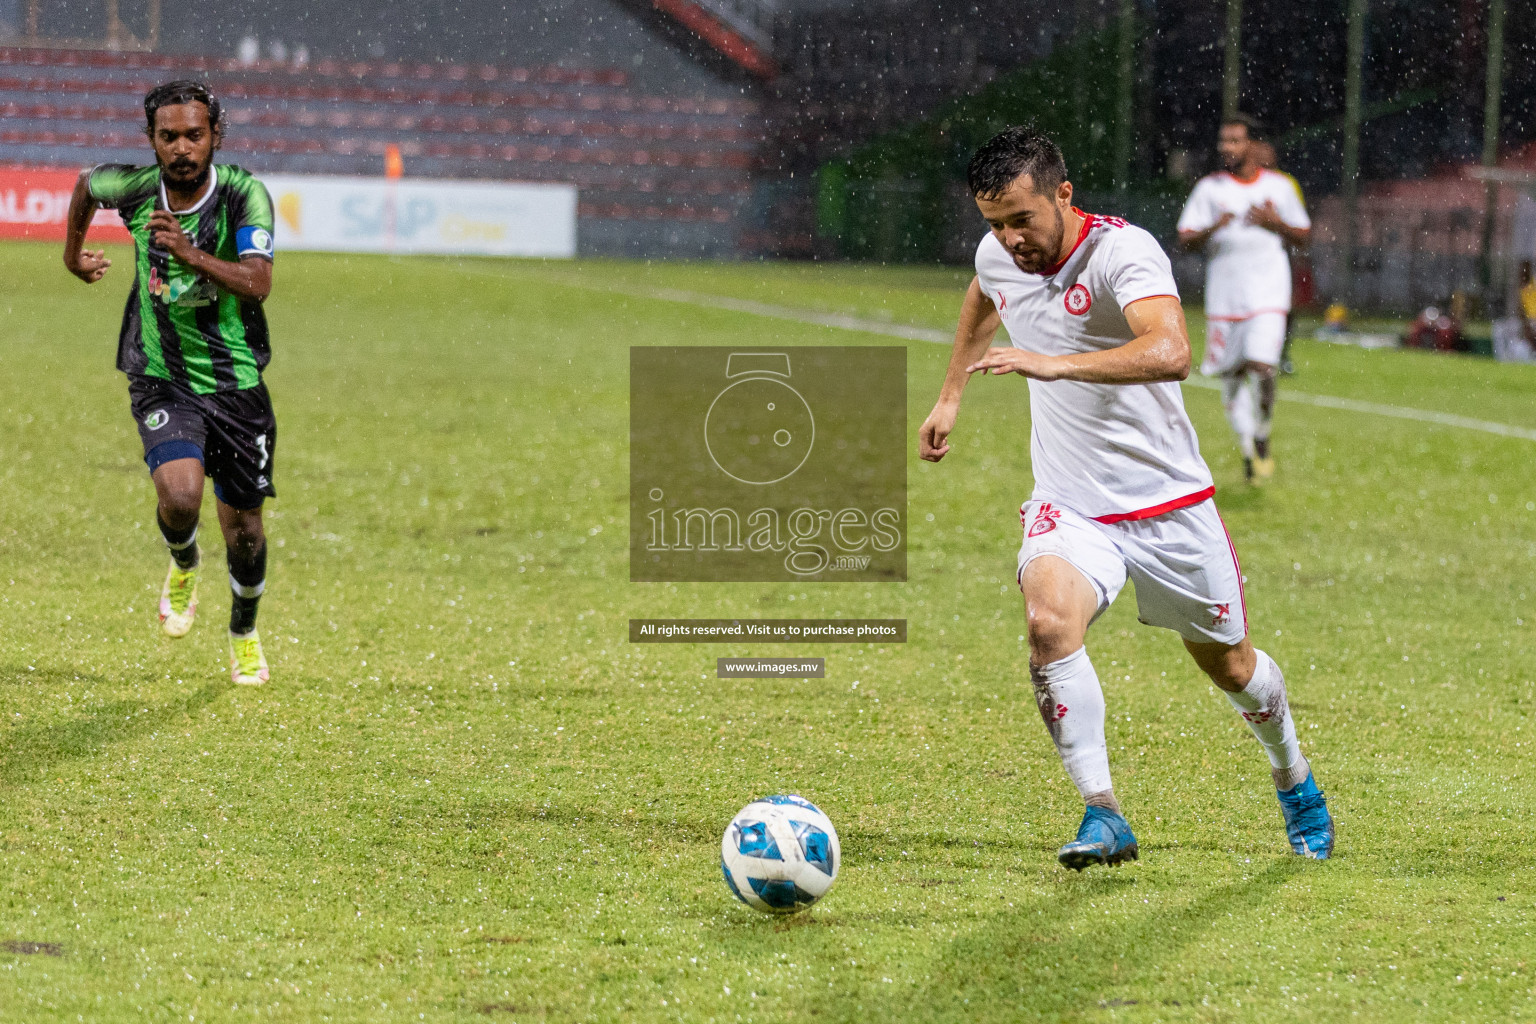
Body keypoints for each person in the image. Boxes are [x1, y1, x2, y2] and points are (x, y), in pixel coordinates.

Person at [918, 125, 1333, 869]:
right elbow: (985, 293)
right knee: (1048, 625)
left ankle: (1294, 777)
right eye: (995, 223)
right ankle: (1103, 812)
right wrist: (950, 396)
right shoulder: (996, 253)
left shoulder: (1123, 253)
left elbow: (1171, 350)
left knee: (1232, 667)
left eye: (1022, 219)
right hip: (1071, 503)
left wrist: (1055, 364)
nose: (1010, 239)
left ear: (1064, 195)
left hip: (1169, 506)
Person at [61, 80, 278, 685]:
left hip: (236, 386)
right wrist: (72, 254)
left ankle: (243, 628)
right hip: (162, 377)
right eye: (169, 136)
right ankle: (184, 562)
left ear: (216, 136)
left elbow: (258, 282)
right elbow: (85, 185)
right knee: (180, 498)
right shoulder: (133, 188)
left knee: (246, 533)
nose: (182, 147)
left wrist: (190, 254)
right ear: (151, 139)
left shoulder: (242, 196)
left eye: (195, 134)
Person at [1177, 115, 1310, 483]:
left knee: (1262, 366)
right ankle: (1249, 447)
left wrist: (1274, 222)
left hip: (1268, 293)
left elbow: (1304, 236)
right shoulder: (1210, 189)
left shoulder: (1280, 187)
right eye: (1224, 142)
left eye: (1235, 141)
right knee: (1232, 377)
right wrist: (1213, 227)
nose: (1228, 148)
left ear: (1253, 145)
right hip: (1225, 298)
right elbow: (1185, 239)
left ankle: (1263, 430)